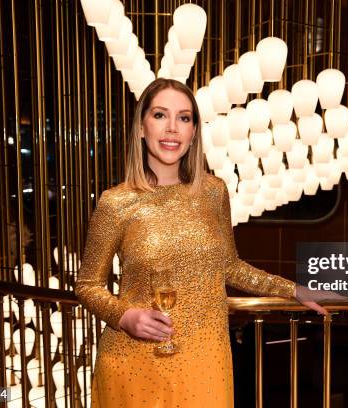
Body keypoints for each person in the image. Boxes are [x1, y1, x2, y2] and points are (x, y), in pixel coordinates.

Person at [75, 78, 327, 407]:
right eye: (160, 115)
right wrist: (125, 317)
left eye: (184, 118)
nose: (172, 129)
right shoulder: (116, 203)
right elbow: (87, 285)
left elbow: (229, 266)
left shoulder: (213, 192)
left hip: (207, 360)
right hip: (135, 363)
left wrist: (293, 289)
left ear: (193, 132)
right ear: (141, 127)